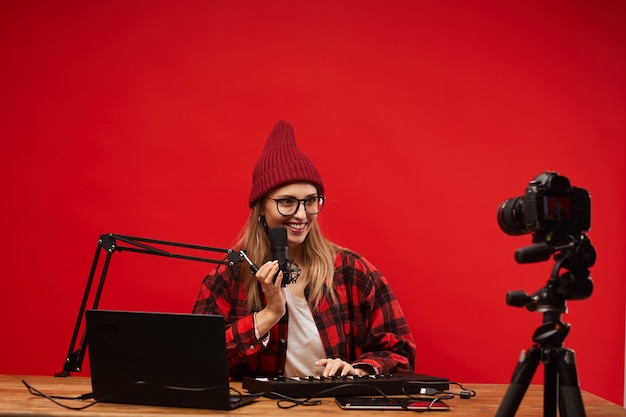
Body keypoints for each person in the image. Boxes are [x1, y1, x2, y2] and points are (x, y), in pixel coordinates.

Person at [192, 121, 415, 379]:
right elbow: (199, 361)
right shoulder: (229, 276)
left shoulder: (351, 271)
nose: (301, 214)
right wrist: (269, 314)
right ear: (260, 207)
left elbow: (400, 351)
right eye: (287, 202)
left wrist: (359, 370)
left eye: (310, 201)